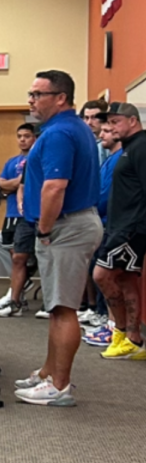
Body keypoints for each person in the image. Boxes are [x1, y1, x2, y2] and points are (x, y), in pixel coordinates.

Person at [13, 70, 103, 407]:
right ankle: (48, 373)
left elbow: (55, 187)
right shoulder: (62, 129)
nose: (31, 100)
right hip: (72, 224)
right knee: (55, 308)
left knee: (64, 308)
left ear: (61, 97)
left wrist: (45, 229)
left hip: (66, 226)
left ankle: (60, 387)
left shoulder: (61, 133)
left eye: (38, 94)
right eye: (31, 93)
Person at [91, 103, 146, 360]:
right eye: (108, 123)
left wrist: (136, 227)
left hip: (130, 228)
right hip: (120, 226)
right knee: (126, 279)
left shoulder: (142, 146)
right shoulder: (128, 148)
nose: (109, 128)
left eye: (115, 122)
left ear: (132, 121)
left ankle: (121, 332)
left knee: (101, 275)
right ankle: (133, 340)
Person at [84, 120, 124, 347]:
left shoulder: (121, 159)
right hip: (104, 223)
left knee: (107, 276)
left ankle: (115, 327)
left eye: (108, 131)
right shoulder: (110, 159)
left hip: (113, 224)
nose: (102, 134)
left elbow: (107, 195)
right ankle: (111, 324)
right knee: (100, 274)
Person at [0, 123, 39, 318]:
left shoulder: (36, 160)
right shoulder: (12, 162)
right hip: (12, 212)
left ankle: (17, 292)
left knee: (22, 256)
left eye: (26, 136)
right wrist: (13, 183)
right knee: (3, 246)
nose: (22, 140)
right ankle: (17, 290)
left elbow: (23, 184)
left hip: (30, 215)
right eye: (19, 136)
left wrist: (12, 184)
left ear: (35, 137)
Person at [81, 98, 110, 164]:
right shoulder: (84, 142)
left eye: (94, 117)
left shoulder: (110, 144)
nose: (89, 122)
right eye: (86, 118)